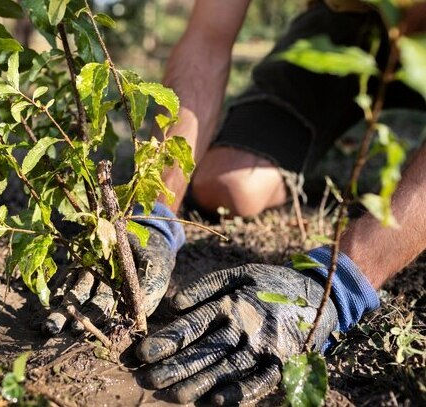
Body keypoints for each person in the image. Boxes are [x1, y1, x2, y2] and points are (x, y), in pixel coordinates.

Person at [130, 0, 426, 405]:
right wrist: (154, 207)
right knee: (229, 186)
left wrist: (339, 281)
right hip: (342, 32)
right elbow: (206, 40)